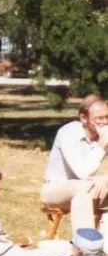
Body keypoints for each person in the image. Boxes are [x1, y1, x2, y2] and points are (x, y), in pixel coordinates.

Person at [41, 95, 108, 233]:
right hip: (55, 189)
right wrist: (102, 144)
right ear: (83, 118)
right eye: (99, 119)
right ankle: (86, 246)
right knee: (82, 188)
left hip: (88, 190)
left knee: (91, 188)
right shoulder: (69, 133)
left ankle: (105, 247)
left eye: (107, 117)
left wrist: (105, 177)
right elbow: (83, 173)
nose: (104, 123)